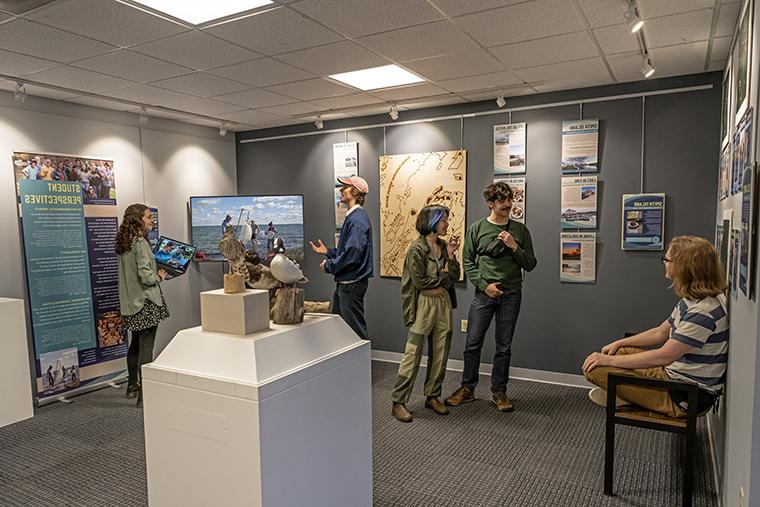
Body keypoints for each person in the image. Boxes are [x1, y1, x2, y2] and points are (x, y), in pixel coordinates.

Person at [582, 236, 728, 417]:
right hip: (674, 374)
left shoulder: (703, 312)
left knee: (595, 368)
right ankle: (631, 394)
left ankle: (631, 397)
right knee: (617, 352)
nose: (664, 263)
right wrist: (619, 343)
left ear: (684, 267)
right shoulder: (692, 300)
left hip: (684, 395)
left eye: (667, 260)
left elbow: (665, 356)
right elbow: (660, 333)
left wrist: (609, 362)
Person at [445, 181, 537, 412]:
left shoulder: (520, 231)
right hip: (484, 295)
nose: (507, 204)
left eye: (509, 199)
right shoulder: (477, 229)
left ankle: (499, 392)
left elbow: (531, 264)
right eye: (502, 200)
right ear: (490, 203)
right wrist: (485, 286)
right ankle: (467, 388)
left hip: (512, 294)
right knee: (472, 343)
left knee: (503, 346)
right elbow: (468, 262)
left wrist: (514, 247)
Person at [391, 205, 460, 423]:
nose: (447, 223)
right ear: (432, 222)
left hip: (443, 304)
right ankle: (399, 401)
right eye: (444, 220)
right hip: (424, 305)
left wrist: (450, 256)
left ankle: (432, 396)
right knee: (412, 354)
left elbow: (455, 275)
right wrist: (445, 277)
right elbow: (421, 283)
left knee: (441, 352)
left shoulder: (442, 245)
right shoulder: (416, 249)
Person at [116, 204, 170, 408]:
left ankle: (133, 386)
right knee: (146, 348)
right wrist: (159, 277)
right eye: (148, 217)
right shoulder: (140, 243)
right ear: (138, 219)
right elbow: (146, 277)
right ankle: (145, 396)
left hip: (131, 303)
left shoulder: (124, 243)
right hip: (146, 302)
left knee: (135, 345)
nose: (151, 220)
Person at [309, 176, 373, 340]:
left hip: (351, 285)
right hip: (346, 284)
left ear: (355, 191)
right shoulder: (354, 217)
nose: (341, 189)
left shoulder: (357, 220)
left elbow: (352, 255)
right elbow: (349, 250)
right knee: (340, 327)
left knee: (355, 331)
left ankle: (360, 365)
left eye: (345, 186)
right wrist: (328, 252)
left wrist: (329, 265)